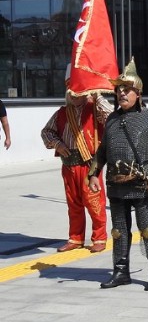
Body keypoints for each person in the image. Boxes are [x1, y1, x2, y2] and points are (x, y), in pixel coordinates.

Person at [87, 57, 148, 292]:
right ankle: (121, 271)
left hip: (142, 184)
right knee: (119, 230)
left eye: (127, 89)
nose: (121, 93)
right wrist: (94, 174)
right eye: (119, 90)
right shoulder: (112, 119)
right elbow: (102, 150)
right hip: (116, 184)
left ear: (138, 93)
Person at [42, 66, 113, 253]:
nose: (74, 95)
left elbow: (111, 116)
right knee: (73, 204)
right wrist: (57, 144)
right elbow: (46, 132)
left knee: (94, 202)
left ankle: (99, 237)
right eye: (71, 91)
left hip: (89, 165)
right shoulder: (61, 113)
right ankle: (75, 238)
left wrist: (97, 95)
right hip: (68, 165)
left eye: (78, 91)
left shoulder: (94, 109)